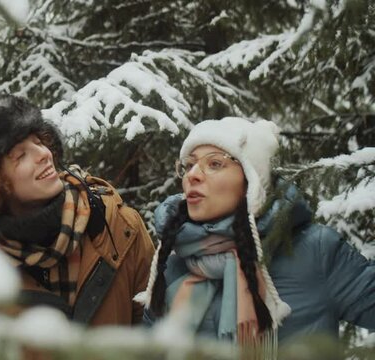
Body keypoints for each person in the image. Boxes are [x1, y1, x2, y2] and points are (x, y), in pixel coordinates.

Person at [135, 117, 375, 355]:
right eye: (189, 165)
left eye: (215, 164)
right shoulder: (173, 260)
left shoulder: (316, 251)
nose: (192, 175)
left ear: (252, 182)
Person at [0, 94, 155, 326]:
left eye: (39, 142)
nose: (45, 155)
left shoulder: (120, 230)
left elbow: (157, 338)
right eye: (20, 156)